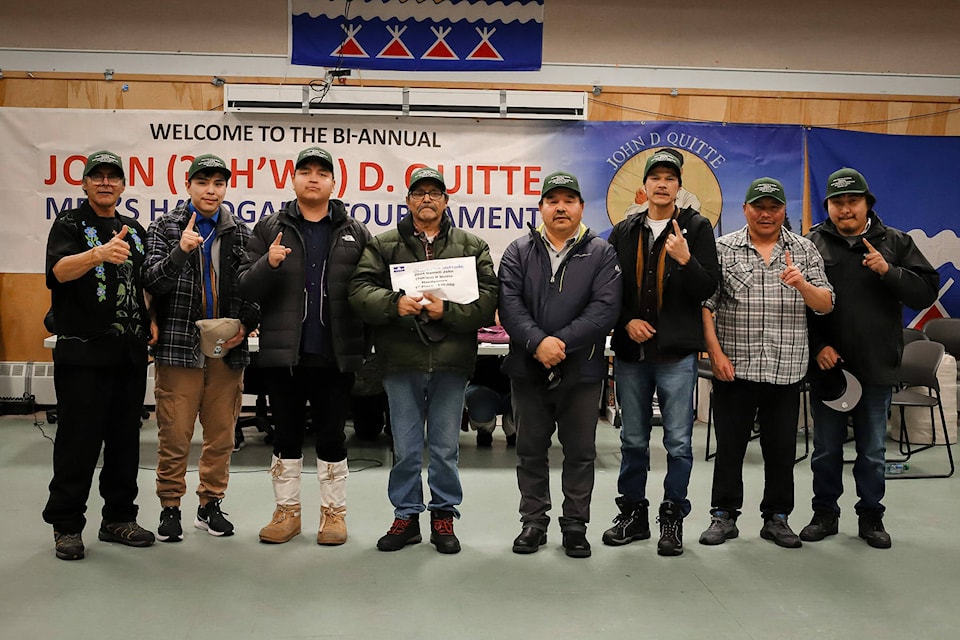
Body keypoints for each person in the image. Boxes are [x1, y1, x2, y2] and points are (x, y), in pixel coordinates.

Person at [349, 166, 498, 554]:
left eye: (435, 192)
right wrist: (393, 303)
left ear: (446, 201)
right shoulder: (383, 245)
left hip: (452, 363)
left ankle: (444, 514)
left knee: (446, 447)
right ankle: (406, 516)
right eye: (419, 193)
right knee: (406, 446)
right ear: (408, 200)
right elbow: (359, 290)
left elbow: (486, 304)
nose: (426, 199)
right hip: (401, 362)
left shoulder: (472, 245)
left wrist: (444, 311)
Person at [800, 168, 939, 549]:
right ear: (827, 206)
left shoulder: (895, 242)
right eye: (837, 202)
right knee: (826, 448)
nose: (845, 210)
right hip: (829, 366)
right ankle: (824, 512)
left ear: (867, 205)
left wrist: (888, 271)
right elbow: (798, 306)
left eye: (852, 201)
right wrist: (817, 348)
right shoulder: (812, 244)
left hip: (876, 364)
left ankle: (871, 516)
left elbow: (925, 293)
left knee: (873, 451)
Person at [240, 147, 370, 546]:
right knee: (286, 437)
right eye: (306, 171)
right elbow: (244, 284)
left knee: (332, 437)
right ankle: (287, 513)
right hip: (285, 355)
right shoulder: (268, 229)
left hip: (335, 354)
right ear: (292, 179)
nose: (314, 178)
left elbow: (370, 289)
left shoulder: (355, 231)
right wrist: (270, 263)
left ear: (334, 182)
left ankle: (333, 516)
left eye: (322, 173)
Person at [698, 177, 834, 549]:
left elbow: (826, 304)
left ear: (783, 211)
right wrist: (715, 354)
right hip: (735, 367)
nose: (766, 213)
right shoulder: (724, 248)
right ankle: (723, 516)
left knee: (781, 450)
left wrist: (802, 286)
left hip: (786, 368)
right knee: (730, 447)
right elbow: (706, 306)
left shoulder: (804, 251)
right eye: (758, 206)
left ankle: (777, 518)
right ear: (745, 210)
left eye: (774, 207)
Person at [498, 170, 622, 558]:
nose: (561, 207)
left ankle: (574, 525)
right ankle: (533, 522)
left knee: (581, 452)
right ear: (541, 209)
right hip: (528, 368)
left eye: (569, 201)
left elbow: (605, 310)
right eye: (553, 201)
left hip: (581, 370)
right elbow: (508, 305)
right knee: (530, 450)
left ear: (581, 207)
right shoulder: (518, 250)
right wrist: (538, 343)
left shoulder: (601, 252)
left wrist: (561, 343)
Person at [42, 150, 157, 560]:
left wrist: (151, 318)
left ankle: (118, 519)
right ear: (85, 183)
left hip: (129, 355)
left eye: (113, 177)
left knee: (126, 442)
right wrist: (97, 255)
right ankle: (67, 526)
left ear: (123, 185)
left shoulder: (135, 228)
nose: (106, 182)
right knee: (78, 442)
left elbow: (142, 281)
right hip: (83, 355)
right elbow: (57, 272)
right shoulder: (70, 223)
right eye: (98, 176)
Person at [604, 150, 720, 556]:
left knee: (679, 443)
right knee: (632, 439)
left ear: (679, 187)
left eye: (671, 177)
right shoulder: (624, 230)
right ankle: (633, 514)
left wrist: (686, 260)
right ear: (645, 185)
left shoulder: (697, 227)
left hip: (677, 356)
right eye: (656, 176)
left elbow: (708, 288)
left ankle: (672, 518)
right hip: (632, 354)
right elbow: (607, 291)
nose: (663, 183)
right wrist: (624, 322)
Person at [143, 153, 259, 542]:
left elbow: (253, 289)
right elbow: (152, 281)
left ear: (225, 188)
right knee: (174, 435)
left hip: (227, 351)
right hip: (178, 349)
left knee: (222, 435)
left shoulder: (240, 232)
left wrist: (247, 323)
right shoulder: (164, 228)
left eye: (218, 183)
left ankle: (210, 505)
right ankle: (170, 507)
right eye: (203, 182)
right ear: (188, 185)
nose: (211, 190)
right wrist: (181, 251)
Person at [464, 321, 515, 448]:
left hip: (517, 388)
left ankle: (514, 429)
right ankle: (484, 429)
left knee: (527, 398)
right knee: (480, 405)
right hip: (482, 385)